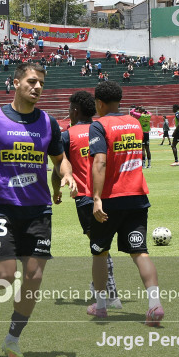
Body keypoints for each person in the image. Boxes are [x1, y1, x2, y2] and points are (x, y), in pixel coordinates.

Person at [0, 62, 77, 357]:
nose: (37, 87)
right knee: (4, 275)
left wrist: (66, 173)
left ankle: (12, 338)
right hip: (2, 208)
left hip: (39, 210)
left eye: (41, 82)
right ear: (15, 83)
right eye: (31, 81)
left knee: (33, 276)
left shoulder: (49, 124)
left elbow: (59, 158)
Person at [85, 81, 163, 326]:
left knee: (99, 252)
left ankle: (100, 307)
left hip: (110, 199)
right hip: (138, 197)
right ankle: (154, 305)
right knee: (140, 252)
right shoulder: (136, 123)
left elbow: (100, 162)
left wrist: (96, 198)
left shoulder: (98, 126)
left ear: (99, 102)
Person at [54, 90, 121, 310]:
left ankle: (110, 295)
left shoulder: (67, 136)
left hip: (84, 198)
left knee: (99, 247)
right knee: (101, 245)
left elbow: (58, 168)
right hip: (108, 195)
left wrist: (55, 191)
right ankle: (99, 285)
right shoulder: (101, 129)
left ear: (74, 110)